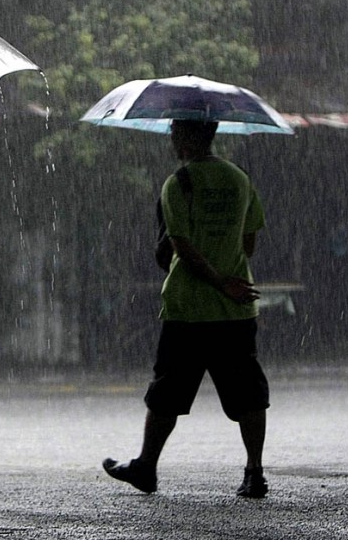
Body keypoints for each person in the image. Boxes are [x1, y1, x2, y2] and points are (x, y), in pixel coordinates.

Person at [103, 119, 270, 498]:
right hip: (235, 310)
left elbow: (182, 246)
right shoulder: (240, 178)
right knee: (248, 393)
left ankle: (147, 467)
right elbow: (249, 243)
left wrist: (215, 279)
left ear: (192, 136)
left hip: (188, 309)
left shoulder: (178, 183)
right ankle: (254, 472)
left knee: (168, 392)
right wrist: (228, 275)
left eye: (177, 133)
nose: (173, 139)